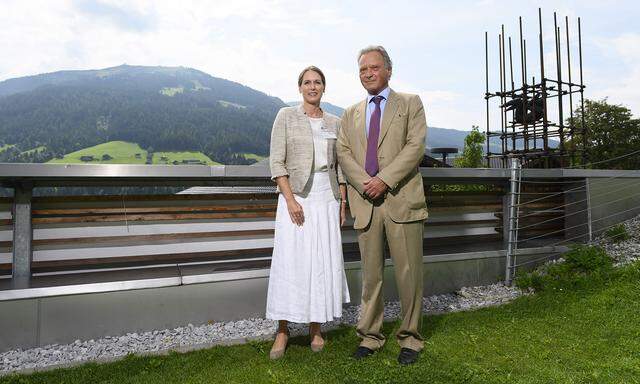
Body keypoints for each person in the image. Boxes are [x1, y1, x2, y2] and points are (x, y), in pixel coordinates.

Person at [336, 46, 428, 365]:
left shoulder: (410, 104)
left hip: (401, 199)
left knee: (408, 273)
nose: (368, 73)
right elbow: (344, 154)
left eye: (374, 67)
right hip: (366, 202)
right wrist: (365, 183)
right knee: (371, 275)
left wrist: (385, 179)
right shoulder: (350, 114)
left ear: (388, 70)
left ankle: (411, 338)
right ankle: (370, 336)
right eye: (363, 69)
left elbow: (415, 146)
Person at [266, 65, 350, 360]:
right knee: (291, 262)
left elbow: (340, 167)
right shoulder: (286, 116)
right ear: (299, 87)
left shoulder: (334, 122)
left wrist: (342, 201)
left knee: (321, 261)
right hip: (296, 197)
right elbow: (277, 162)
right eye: (307, 82)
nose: (312, 87)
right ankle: (283, 329)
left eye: (317, 82)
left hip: (326, 199)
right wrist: (289, 200)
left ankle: (316, 327)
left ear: (324, 88)